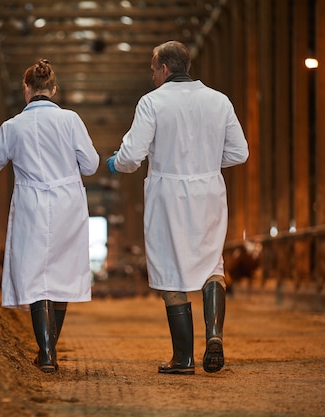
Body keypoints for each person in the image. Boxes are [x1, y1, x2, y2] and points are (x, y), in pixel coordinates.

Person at [0, 58, 99, 373]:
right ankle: (49, 348)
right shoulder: (71, 121)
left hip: (32, 202)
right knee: (62, 276)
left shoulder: (12, 127)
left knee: (38, 276)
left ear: (26, 89)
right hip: (67, 202)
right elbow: (91, 165)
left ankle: (47, 353)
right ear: (53, 89)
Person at [106, 41, 249, 374]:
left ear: (164, 69)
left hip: (168, 192)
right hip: (209, 190)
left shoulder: (152, 102)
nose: (151, 74)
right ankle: (214, 333)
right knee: (213, 262)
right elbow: (240, 153)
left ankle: (182, 358)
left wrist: (115, 164)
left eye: (152, 68)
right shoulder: (219, 100)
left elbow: (130, 157)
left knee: (170, 270)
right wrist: (208, 163)